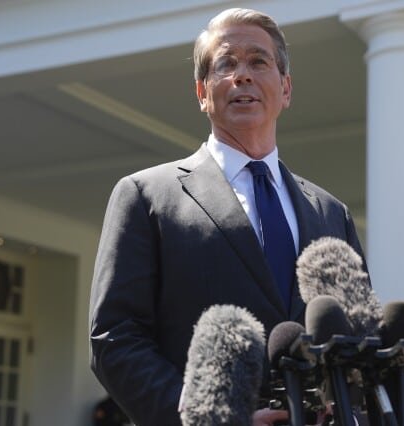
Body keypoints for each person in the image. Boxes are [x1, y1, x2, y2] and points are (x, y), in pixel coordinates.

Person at [89, 8, 367, 426]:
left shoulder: (331, 213)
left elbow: (357, 338)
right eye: (226, 64)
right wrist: (214, 417)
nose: (242, 75)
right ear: (202, 92)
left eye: (258, 61)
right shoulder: (146, 196)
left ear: (286, 88)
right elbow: (114, 338)